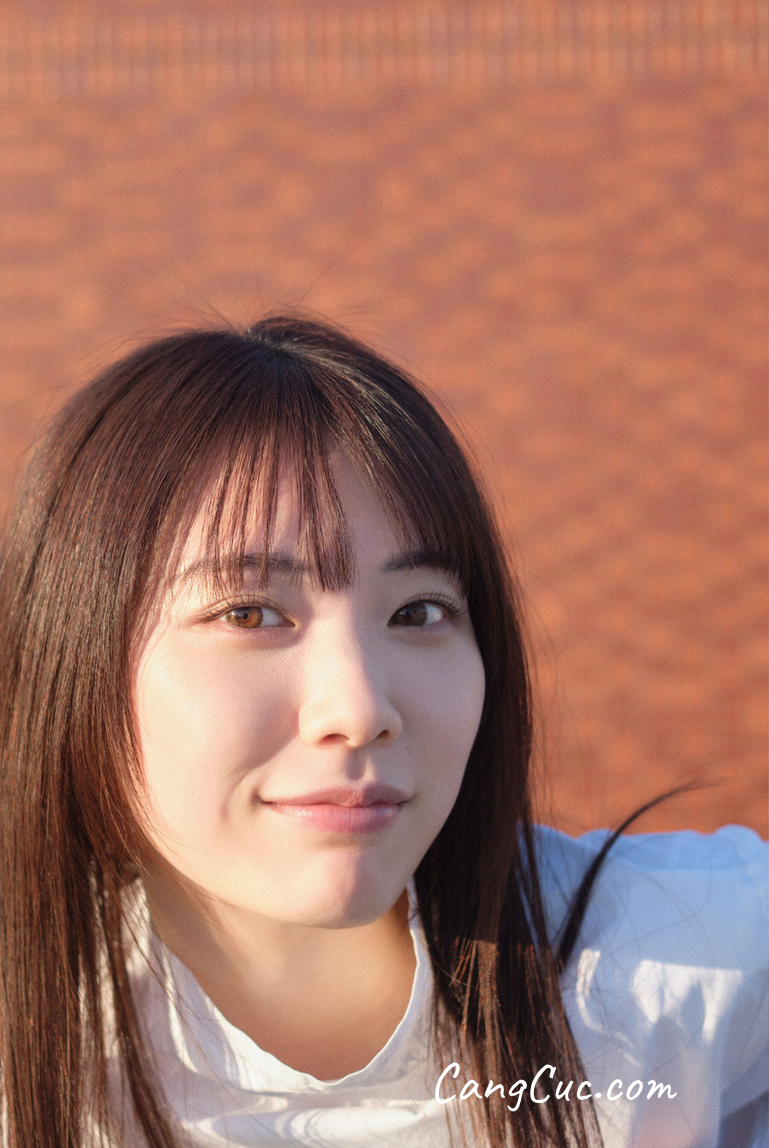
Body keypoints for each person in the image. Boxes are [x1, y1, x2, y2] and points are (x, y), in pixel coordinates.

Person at [0, 315, 765, 1148]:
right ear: (69, 654)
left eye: (418, 612)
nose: (359, 710)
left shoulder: (685, 969)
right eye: (249, 614)